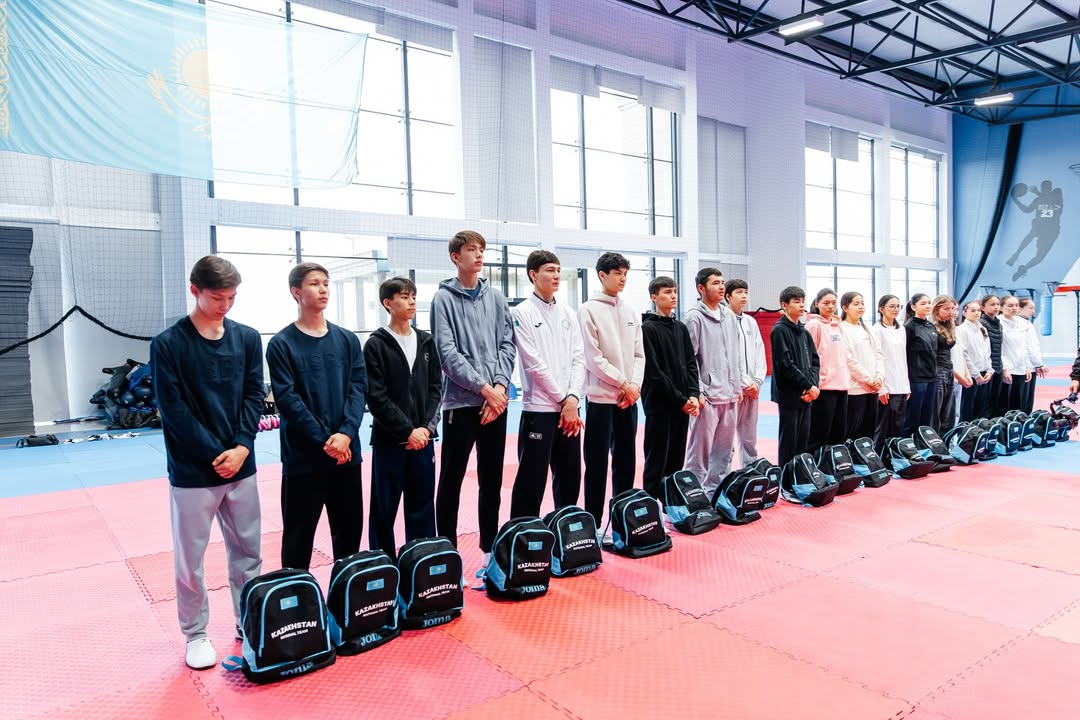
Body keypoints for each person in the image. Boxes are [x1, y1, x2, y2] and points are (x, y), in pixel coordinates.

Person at [151, 256, 264, 670]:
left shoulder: (247, 338)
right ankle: (195, 634)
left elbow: (254, 394)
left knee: (248, 552)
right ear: (194, 290)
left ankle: (248, 620)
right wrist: (216, 454)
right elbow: (173, 410)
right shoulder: (168, 344)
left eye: (232, 297)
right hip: (194, 470)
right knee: (190, 559)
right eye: (217, 298)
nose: (225, 305)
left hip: (241, 464)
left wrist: (243, 446)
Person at [267, 263, 367, 571]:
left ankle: (345, 598)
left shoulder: (347, 340)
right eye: (314, 283)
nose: (323, 289)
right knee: (298, 541)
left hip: (346, 456)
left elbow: (358, 388)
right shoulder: (281, 344)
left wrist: (346, 434)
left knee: (349, 539)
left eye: (325, 283)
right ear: (296, 292)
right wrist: (327, 440)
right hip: (304, 459)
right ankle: (298, 599)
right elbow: (288, 399)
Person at [431, 231, 516, 564]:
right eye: (471, 249)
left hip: (495, 403)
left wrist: (500, 387)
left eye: (481, 249)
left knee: (492, 481)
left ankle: (488, 553)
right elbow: (447, 353)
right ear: (456, 256)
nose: (479, 254)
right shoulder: (443, 299)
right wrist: (485, 389)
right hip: (462, 404)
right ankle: (447, 555)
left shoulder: (495, 297)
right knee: (451, 481)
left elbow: (508, 344)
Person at [364, 277, 441, 559]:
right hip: (390, 442)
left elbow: (436, 389)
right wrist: (407, 431)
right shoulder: (375, 345)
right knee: (383, 510)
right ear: (388, 303)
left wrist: (425, 429)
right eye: (404, 297)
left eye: (413, 297)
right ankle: (383, 567)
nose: (411, 303)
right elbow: (376, 396)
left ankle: (420, 565)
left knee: (423, 507)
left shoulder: (426, 341)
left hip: (423, 441)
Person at [509, 250, 586, 517]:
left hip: (570, 412)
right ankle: (523, 534)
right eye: (550, 270)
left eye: (558, 270)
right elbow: (533, 363)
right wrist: (564, 400)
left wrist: (573, 398)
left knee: (570, 478)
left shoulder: (569, 313)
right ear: (533, 274)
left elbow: (579, 359)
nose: (556, 275)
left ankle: (566, 532)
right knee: (531, 482)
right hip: (539, 409)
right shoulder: (521, 313)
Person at [579, 252, 645, 526]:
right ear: (602, 275)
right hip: (600, 399)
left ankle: (622, 520)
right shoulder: (587, 310)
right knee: (596, 465)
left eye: (625, 274)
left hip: (628, 400)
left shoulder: (631, 311)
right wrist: (623, 383)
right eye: (617, 273)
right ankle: (593, 524)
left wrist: (634, 386)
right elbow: (593, 358)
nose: (622, 279)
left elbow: (639, 355)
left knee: (626, 462)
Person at [641, 276, 700, 500]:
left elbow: (691, 364)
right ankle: (651, 505)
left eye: (675, 291)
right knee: (656, 459)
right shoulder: (647, 329)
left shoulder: (680, 327)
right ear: (654, 297)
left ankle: (671, 503)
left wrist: (693, 394)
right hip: (660, 405)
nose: (673, 296)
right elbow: (654, 373)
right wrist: (681, 400)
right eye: (667, 292)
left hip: (682, 404)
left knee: (676, 458)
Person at [684, 268, 742, 492]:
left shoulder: (729, 316)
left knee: (724, 453)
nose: (721, 286)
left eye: (722, 282)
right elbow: (690, 360)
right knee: (699, 455)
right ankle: (692, 496)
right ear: (701, 288)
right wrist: (698, 392)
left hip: (730, 395)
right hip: (706, 398)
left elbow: (735, 355)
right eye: (715, 283)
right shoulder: (694, 317)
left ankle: (715, 494)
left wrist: (737, 386)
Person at [770, 286, 820, 466]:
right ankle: (786, 476)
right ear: (784, 305)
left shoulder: (804, 331)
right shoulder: (779, 330)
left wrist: (813, 385)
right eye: (796, 302)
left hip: (807, 394)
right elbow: (785, 364)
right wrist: (807, 385)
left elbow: (814, 361)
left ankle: (800, 473)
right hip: (790, 394)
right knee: (789, 441)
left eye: (803, 301)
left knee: (803, 440)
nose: (801, 305)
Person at [726, 278, 767, 470]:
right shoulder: (723, 320)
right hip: (732, 389)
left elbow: (760, 352)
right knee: (725, 438)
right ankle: (723, 476)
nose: (744, 296)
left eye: (745, 292)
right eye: (739, 292)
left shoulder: (751, 322)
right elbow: (728, 355)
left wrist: (757, 382)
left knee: (749, 435)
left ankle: (749, 471)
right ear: (728, 296)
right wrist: (743, 383)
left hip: (753, 389)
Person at [805, 288, 850, 454]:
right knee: (820, 432)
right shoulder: (813, 325)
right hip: (823, 387)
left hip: (841, 385)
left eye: (833, 303)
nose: (830, 306)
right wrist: (812, 383)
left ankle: (835, 463)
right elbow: (809, 357)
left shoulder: (838, 326)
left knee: (838, 433)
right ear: (817, 303)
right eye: (826, 303)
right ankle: (815, 464)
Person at [839, 292, 884, 441]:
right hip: (855, 388)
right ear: (845, 307)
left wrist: (879, 377)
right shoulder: (841, 328)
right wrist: (868, 379)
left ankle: (866, 455)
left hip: (873, 388)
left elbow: (879, 354)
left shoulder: (868, 329)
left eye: (862, 303)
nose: (861, 307)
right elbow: (848, 359)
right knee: (852, 432)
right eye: (856, 304)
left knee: (869, 432)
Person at [872, 295, 909, 450]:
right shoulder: (876, 329)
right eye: (892, 306)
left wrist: (906, 385)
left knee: (898, 427)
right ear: (881, 309)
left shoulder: (902, 329)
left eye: (898, 306)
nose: (896, 309)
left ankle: (894, 456)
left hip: (901, 385)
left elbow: (903, 358)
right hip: (886, 386)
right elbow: (876, 359)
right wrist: (882, 388)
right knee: (883, 427)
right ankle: (879, 456)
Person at [928, 295, 968, 433]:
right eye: (947, 309)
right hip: (937, 371)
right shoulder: (931, 327)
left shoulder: (950, 326)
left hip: (948, 370)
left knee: (949, 411)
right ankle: (933, 439)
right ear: (936, 309)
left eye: (952, 309)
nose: (951, 312)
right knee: (936, 410)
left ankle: (946, 438)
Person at [903, 293, 938, 435]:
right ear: (913, 307)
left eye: (929, 302)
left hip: (932, 377)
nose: (927, 306)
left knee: (926, 417)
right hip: (917, 379)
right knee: (912, 417)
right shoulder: (909, 327)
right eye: (923, 303)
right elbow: (904, 354)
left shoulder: (931, 326)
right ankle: (908, 444)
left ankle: (924, 443)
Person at [956, 301, 993, 422]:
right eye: (973, 310)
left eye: (978, 310)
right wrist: (975, 374)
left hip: (984, 373)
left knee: (980, 409)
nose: (977, 313)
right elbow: (963, 354)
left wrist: (989, 370)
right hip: (970, 375)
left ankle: (979, 431)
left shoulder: (982, 329)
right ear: (964, 312)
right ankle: (965, 432)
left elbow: (987, 352)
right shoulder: (961, 329)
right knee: (967, 409)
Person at [999, 295, 1036, 412]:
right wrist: (1004, 369)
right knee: (1004, 405)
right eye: (1010, 306)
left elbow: (1024, 347)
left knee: (1018, 404)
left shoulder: (1021, 323)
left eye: (1016, 305)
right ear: (1001, 307)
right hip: (1006, 369)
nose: (1014, 308)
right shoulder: (998, 323)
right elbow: (999, 349)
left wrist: (1027, 367)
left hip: (1020, 368)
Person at [1017, 298, 1047, 413]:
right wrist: (1038, 364)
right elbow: (1026, 347)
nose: (1033, 311)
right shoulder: (1019, 324)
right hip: (1023, 367)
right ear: (1020, 308)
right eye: (1030, 308)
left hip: (1031, 366)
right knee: (1022, 401)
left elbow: (1034, 346)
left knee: (1028, 401)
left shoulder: (1028, 323)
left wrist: (1037, 364)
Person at [979, 295, 1005, 417]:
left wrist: (1001, 367)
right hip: (986, 369)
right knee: (985, 403)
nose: (996, 307)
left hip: (998, 367)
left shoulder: (999, 323)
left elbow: (999, 348)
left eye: (998, 304)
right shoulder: (981, 324)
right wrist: (989, 369)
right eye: (992, 304)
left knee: (996, 402)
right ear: (983, 308)